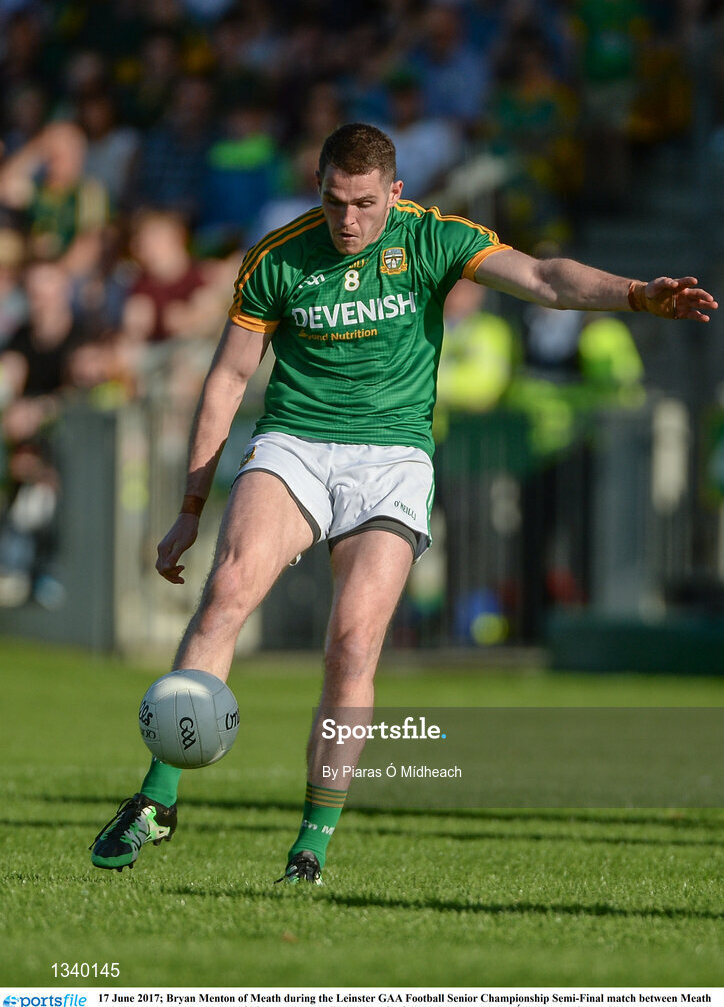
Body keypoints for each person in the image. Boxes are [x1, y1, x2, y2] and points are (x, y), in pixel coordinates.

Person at [89, 122, 717, 883]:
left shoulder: (434, 241)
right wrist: (191, 506)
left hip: (393, 459)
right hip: (297, 441)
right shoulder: (279, 257)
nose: (346, 221)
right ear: (316, 188)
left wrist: (635, 296)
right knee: (227, 588)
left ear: (396, 193)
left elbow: (546, 279)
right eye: (332, 202)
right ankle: (157, 799)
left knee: (353, 644)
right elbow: (226, 380)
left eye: (362, 203)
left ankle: (311, 846)